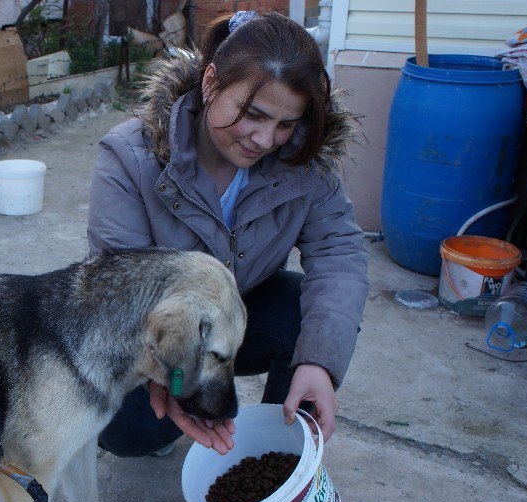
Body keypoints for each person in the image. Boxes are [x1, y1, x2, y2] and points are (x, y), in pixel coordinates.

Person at [87, 11, 369, 457]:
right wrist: (175, 379)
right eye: (252, 113)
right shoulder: (129, 157)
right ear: (211, 81)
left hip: (242, 311)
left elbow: (339, 252)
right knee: (130, 434)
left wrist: (319, 362)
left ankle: (278, 448)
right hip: (160, 332)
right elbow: (124, 296)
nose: (265, 139)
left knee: (303, 314)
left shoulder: (306, 164)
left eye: (285, 123)